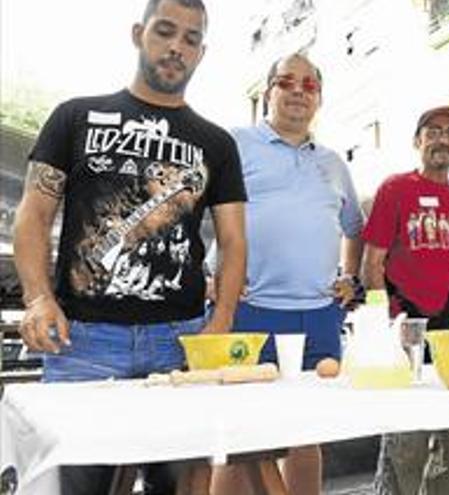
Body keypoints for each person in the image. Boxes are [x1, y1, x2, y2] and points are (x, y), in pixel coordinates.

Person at [11, 1, 247, 493]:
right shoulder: (75, 117)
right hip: (83, 344)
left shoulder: (216, 143)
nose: (176, 47)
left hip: (180, 342)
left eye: (190, 38)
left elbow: (233, 240)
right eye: (165, 32)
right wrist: (38, 297)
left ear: (202, 52)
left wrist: (221, 322)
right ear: (138, 33)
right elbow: (33, 215)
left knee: (181, 488)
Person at [208, 52, 364, 495]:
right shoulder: (234, 144)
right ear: (267, 93)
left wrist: (350, 279)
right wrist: (209, 277)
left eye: (309, 85)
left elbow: (355, 229)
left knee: (305, 435)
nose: (298, 91)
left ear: (320, 98)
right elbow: (199, 215)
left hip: (319, 315)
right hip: (250, 311)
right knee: (240, 439)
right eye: (286, 82)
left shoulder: (334, 162)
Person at [363, 106, 449, 494]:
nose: (442, 138)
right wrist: (383, 327)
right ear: (417, 141)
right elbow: (373, 262)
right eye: (432, 131)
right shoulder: (395, 189)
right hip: (406, 333)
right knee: (406, 446)